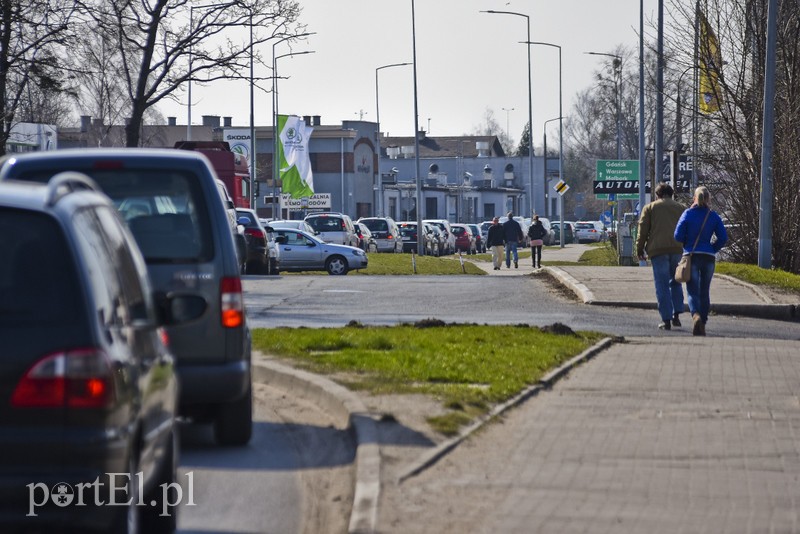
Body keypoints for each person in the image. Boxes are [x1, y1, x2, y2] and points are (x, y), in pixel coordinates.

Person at [674, 185, 728, 336]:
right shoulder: (713, 216)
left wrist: (687, 242)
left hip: (691, 256)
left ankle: (696, 315)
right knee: (705, 291)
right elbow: (723, 238)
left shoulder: (688, 214)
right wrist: (712, 248)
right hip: (708, 257)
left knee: (692, 291)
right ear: (709, 199)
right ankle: (703, 322)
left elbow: (677, 236)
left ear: (694, 199)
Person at [636, 183, 686, 331]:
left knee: (662, 284)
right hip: (677, 249)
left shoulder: (650, 208)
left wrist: (639, 250)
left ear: (657, 195)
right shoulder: (681, 208)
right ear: (672, 194)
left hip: (658, 251)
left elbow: (643, 231)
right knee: (676, 281)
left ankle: (666, 319)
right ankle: (677, 313)